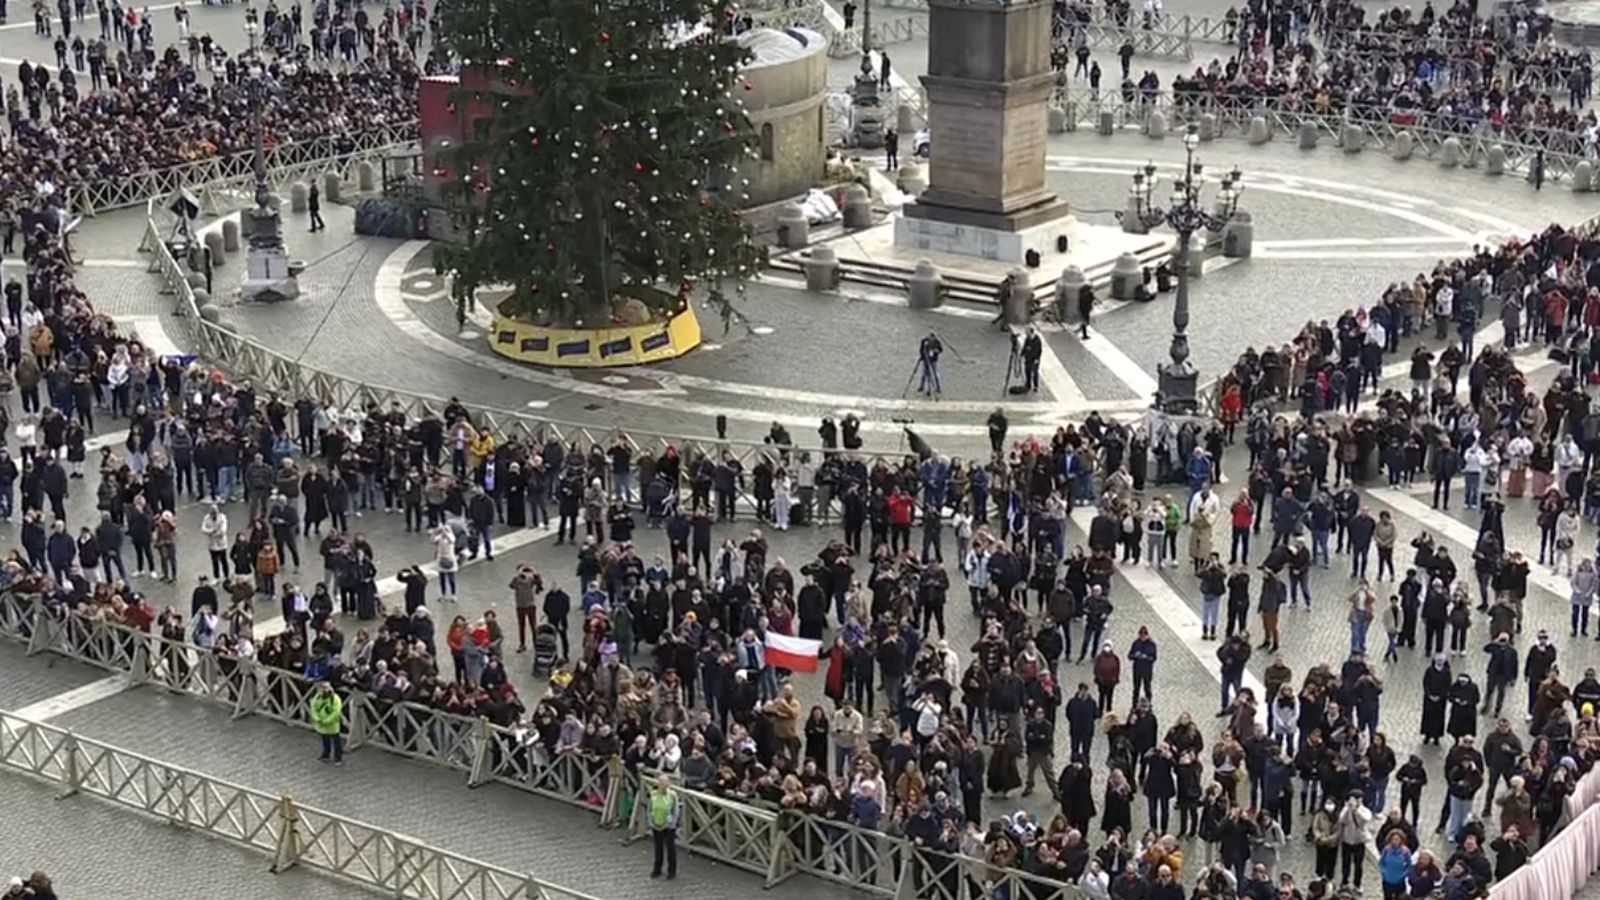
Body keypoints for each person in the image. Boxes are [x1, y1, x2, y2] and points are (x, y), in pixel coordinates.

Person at [646, 775, 681, 879]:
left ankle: (672, 870)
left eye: (664, 783)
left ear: (668, 784)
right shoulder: (653, 794)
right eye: (660, 783)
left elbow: (675, 811)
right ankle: (657, 869)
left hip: (669, 825)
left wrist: (671, 824)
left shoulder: (672, 795)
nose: (662, 785)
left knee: (670, 848)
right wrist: (651, 822)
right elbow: (649, 809)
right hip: (656, 823)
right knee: (658, 848)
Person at [311, 680, 344, 765]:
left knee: (336, 741)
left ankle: (338, 758)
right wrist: (317, 718)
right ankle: (326, 755)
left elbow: (336, 711)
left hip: (332, 724)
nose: (325, 689)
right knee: (325, 740)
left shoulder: (335, 698)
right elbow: (313, 708)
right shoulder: (318, 697)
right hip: (322, 722)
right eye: (323, 688)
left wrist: (327, 720)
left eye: (326, 687)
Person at [917, 332, 942, 396]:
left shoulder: (937, 342)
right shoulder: (924, 341)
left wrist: (936, 351)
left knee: (935, 373)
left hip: (933, 360)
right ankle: (922, 386)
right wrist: (922, 356)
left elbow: (940, 350)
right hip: (926, 359)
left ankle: (938, 388)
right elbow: (921, 349)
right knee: (924, 374)